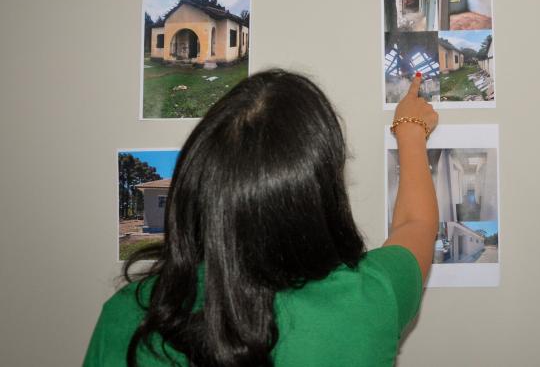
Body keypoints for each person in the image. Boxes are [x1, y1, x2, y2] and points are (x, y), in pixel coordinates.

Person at [84, 69, 439, 366]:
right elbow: (416, 225)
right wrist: (410, 130)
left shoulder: (127, 318)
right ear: (318, 197)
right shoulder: (365, 303)